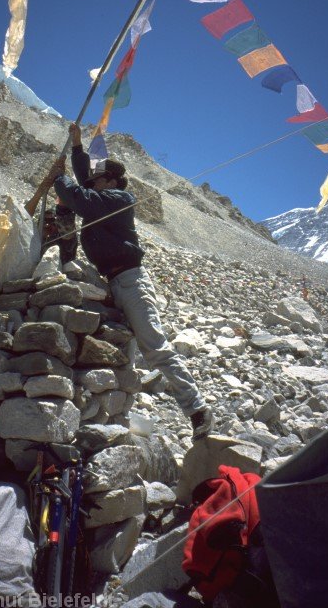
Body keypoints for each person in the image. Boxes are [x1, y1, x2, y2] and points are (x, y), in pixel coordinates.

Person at [44, 124, 214, 441]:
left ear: (111, 181)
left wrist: (59, 176)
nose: (92, 183)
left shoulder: (119, 199)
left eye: (98, 179)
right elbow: (84, 182)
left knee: (155, 349)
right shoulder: (103, 194)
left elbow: (78, 194)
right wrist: (79, 148)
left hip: (131, 282)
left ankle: (198, 410)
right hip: (112, 280)